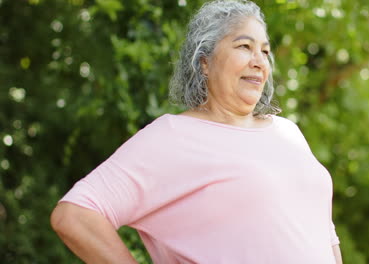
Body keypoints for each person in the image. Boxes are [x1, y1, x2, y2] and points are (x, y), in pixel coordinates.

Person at [50, 0, 343, 263]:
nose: (259, 61)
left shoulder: (287, 131)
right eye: (244, 46)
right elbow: (75, 215)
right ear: (204, 62)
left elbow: (323, 232)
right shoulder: (173, 136)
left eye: (265, 51)